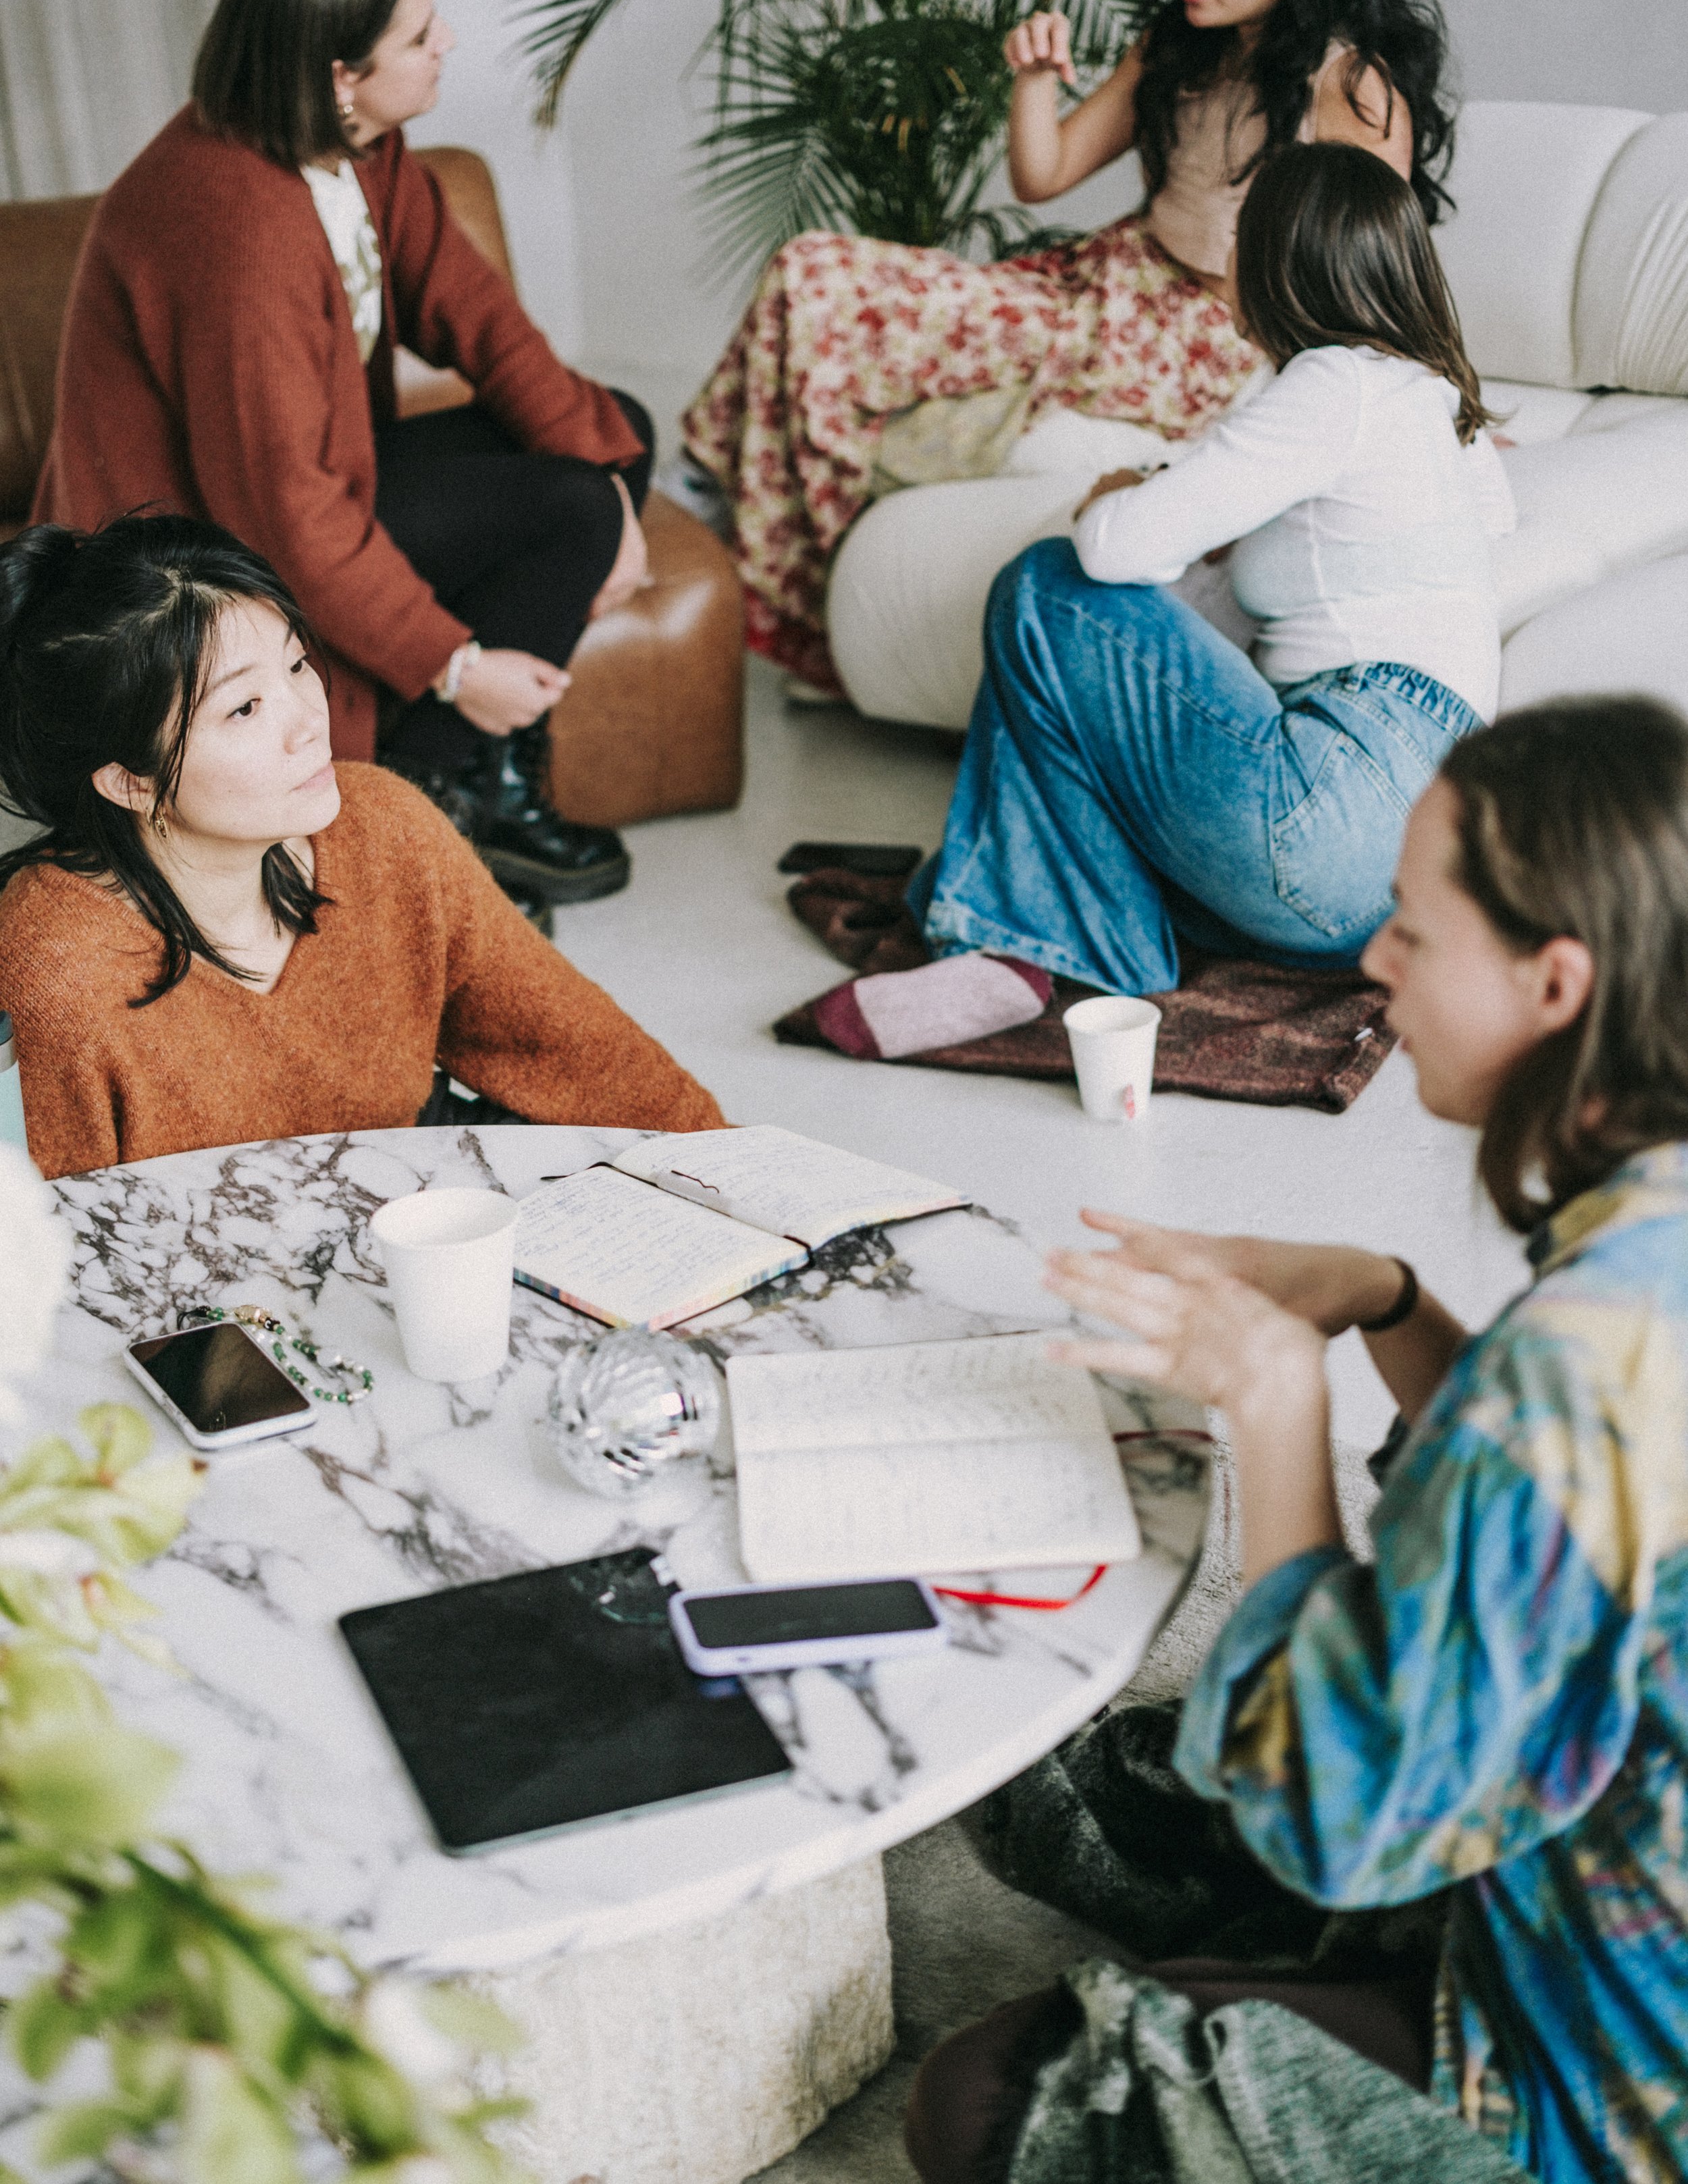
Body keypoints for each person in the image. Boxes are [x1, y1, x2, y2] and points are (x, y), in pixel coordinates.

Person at [905, 692, 1688, 2184]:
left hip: (1612, 2097)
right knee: (1167, 1787)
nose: (1371, 960)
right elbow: (1560, 1528)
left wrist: (1277, 1415)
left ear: (1553, 980)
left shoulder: (1568, 1372)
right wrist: (1384, 1301)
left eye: (1410, 924)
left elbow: (1349, 1825)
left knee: (990, 2099)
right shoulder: (1631, 1259)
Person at [684, 0, 1454, 695]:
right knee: (812, 270)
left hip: (1196, 337)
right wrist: (1034, 82)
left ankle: (715, 504)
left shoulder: (1352, 89)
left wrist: (1439, 408)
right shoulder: (1178, 42)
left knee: (851, 342)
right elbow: (1043, 175)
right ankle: (708, 486)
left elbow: (1376, 277)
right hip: (1100, 281)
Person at [35, 0, 649, 907]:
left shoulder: (358, 145)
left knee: (612, 431)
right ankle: (416, 802)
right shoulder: (234, 221)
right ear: (339, 73)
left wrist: (623, 491)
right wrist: (458, 668)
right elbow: (282, 522)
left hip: (307, 484)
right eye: (419, 33)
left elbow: (483, 324)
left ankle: (468, 787)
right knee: (570, 503)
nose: (446, 40)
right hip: (188, 555)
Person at [876, 140, 1513, 1041]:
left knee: (1044, 584)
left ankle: (1026, 947)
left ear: (1277, 261)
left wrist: (1118, 490)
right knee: (1070, 785)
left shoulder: (1332, 383)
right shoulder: (1442, 411)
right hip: (1403, 889)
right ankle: (1032, 935)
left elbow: (1110, 551)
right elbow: (1205, 621)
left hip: (1330, 812)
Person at [0, 518, 723, 1182]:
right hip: (222, 1298)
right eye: (244, 708)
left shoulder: (381, 824)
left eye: (294, 666)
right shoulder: (59, 961)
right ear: (131, 781)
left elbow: (579, 1048)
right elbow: (74, 1265)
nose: (308, 722)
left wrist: (743, 1181)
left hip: (414, 1196)